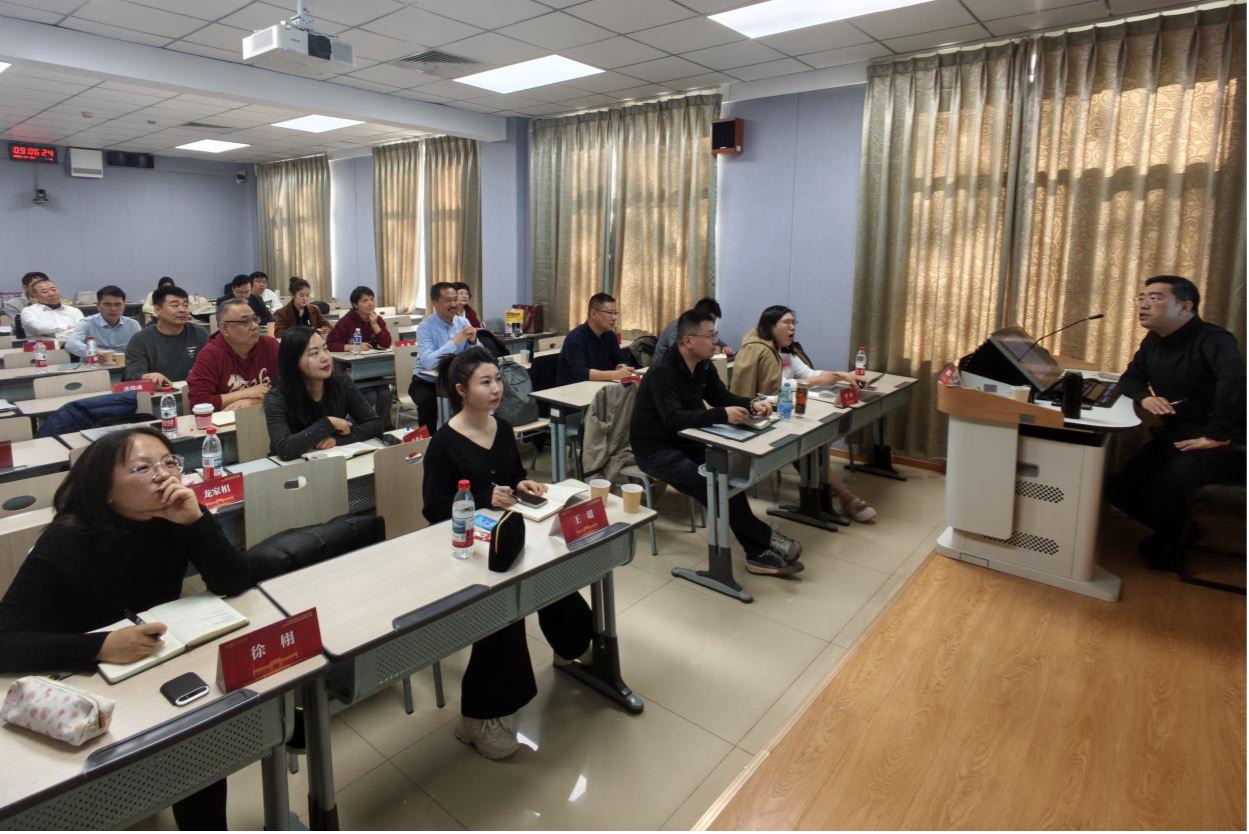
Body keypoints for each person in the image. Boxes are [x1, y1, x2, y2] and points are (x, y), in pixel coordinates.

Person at [0, 426, 251, 829]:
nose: (163, 475)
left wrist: (196, 521)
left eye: (169, 462)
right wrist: (99, 646)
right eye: (142, 468)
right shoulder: (66, 541)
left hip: (152, 664)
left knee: (198, 741)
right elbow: (5, 641)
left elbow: (235, 581)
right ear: (106, 491)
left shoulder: (174, 516)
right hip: (83, 684)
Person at [423, 346, 593, 760]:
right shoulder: (443, 443)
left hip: (508, 533)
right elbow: (434, 510)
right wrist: (484, 498)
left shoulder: (500, 427)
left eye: (497, 379)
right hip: (465, 546)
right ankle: (478, 717)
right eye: (486, 382)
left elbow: (512, 476)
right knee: (506, 608)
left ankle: (570, 646)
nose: (497, 388)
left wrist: (523, 485)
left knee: (553, 575)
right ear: (461, 390)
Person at [631, 309, 804, 576]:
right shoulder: (662, 372)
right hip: (656, 450)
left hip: (690, 440)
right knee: (707, 483)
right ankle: (765, 540)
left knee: (724, 478)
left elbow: (720, 396)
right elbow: (674, 419)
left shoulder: (703, 365)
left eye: (715, 334)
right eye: (710, 335)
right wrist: (722, 414)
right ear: (689, 340)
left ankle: (756, 552)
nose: (716, 341)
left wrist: (751, 403)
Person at [1108, 275, 1245, 570]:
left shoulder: (1214, 339)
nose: (1144, 304)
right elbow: (1130, 378)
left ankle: (1171, 545)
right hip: (1179, 434)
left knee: (1169, 484)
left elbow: (1235, 385)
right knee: (1118, 488)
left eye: (1155, 298)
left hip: (1224, 441)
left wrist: (1217, 434)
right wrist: (1144, 397)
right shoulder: (1154, 340)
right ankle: (1183, 532)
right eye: (1142, 297)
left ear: (1185, 306)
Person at [730, 305, 878, 523]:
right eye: (786, 323)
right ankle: (845, 496)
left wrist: (841, 375)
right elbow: (774, 389)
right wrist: (813, 381)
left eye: (794, 322)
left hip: (787, 412)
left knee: (815, 442)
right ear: (771, 326)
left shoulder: (786, 351)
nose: (792, 327)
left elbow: (807, 373)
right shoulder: (758, 350)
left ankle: (830, 492)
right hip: (765, 416)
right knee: (808, 445)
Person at [264, 327, 382, 460]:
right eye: (314, 353)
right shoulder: (277, 397)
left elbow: (375, 424)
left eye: (325, 349)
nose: (325, 357)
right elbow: (284, 448)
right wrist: (328, 423)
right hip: (291, 468)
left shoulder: (340, 382)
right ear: (293, 361)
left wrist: (337, 440)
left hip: (330, 461)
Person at [187, 298, 279, 411]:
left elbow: (290, 388)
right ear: (224, 328)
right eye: (244, 322)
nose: (255, 326)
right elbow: (198, 403)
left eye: (255, 319)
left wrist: (253, 401)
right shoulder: (211, 354)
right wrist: (246, 393)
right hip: (225, 420)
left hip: (266, 415)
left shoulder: (270, 345)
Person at [411, 282, 476, 428]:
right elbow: (429, 363)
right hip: (427, 381)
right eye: (448, 300)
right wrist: (454, 342)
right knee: (427, 403)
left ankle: (466, 435)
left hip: (454, 379)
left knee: (476, 394)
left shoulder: (463, 322)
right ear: (435, 303)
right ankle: (429, 440)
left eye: (455, 299)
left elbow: (476, 356)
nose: (454, 304)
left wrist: (473, 342)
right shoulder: (425, 327)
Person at [124, 285, 210, 387]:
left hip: (195, 391)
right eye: (175, 305)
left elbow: (213, 366)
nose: (182, 310)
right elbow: (132, 375)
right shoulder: (141, 339)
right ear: (157, 310)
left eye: (185, 305)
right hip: (158, 393)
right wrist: (148, 376)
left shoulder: (200, 334)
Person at [555, 293, 634, 385]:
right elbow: (581, 372)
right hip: (573, 388)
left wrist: (622, 368)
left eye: (615, 313)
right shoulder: (575, 337)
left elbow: (620, 359)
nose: (614, 318)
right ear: (593, 313)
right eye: (610, 313)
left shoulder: (609, 335)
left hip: (600, 385)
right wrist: (615, 374)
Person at [651, 297, 734, 366]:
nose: (711, 324)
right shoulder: (679, 326)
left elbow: (717, 342)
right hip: (665, 369)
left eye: (713, 322)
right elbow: (678, 353)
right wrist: (712, 349)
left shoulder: (704, 330)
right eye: (710, 320)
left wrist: (725, 348)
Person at [66, 285, 141, 358]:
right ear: (98, 306)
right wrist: (95, 352)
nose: (113, 309)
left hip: (124, 364)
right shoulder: (87, 323)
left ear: (124, 306)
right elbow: (71, 344)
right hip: (94, 363)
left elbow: (141, 348)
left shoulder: (132, 325)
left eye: (118, 305)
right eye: (107, 305)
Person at [326, 285, 392, 352]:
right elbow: (330, 344)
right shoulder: (345, 321)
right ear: (355, 305)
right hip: (353, 357)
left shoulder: (378, 320)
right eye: (365, 301)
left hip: (375, 356)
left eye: (372, 299)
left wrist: (375, 325)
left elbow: (386, 344)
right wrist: (354, 347)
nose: (370, 304)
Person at [20, 276, 83, 341]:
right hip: (43, 346)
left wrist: (55, 335)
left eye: (54, 290)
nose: (52, 294)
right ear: (34, 295)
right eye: (45, 292)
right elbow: (39, 327)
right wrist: (67, 327)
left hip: (74, 343)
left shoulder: (74, 310)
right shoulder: (29, 311)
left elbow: (83, 330)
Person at [4, 271, 43, 338]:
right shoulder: (12, 304)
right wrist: (35, 307)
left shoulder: (55, 300)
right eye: (35, 285)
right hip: (24, 339)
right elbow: (21, 327)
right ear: (25, 287)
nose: (41, 287)